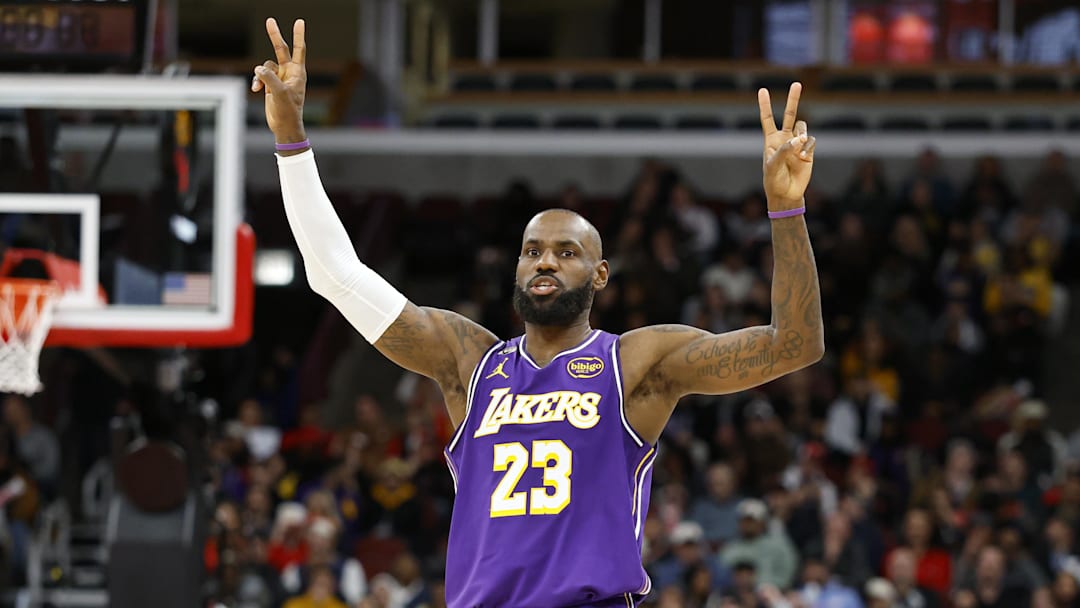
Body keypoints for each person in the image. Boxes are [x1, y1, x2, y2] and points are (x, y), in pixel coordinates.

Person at [253, 17, 823, 607]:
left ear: (600, 275)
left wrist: (786, 211)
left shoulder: (635, 362)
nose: (544, 262)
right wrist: (292, 138)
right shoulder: (469, 363)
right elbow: (335, 275)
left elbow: (794, 345)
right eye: (532, 251)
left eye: (566, 252)